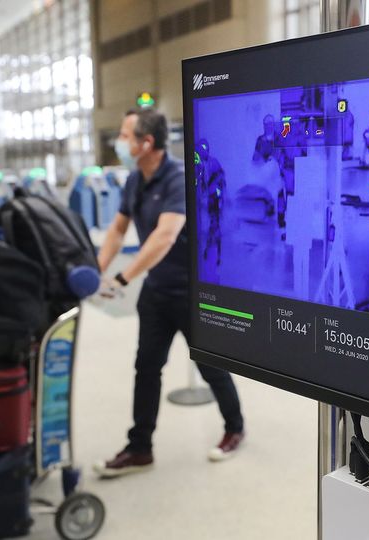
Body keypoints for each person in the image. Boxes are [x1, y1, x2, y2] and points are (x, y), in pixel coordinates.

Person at [94, 109, 245, 477]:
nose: (121, 141)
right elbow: (117, 230)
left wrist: (123, 278)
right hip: (157, 292)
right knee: (146, 367)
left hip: (191, 293)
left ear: (147, 143)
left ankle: (234, 428)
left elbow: (165, 236)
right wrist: (94, 271)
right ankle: (140, 447)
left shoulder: (179, 178)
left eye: (127, 135)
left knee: (211, 366)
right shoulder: (135, 180)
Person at [197, 139, 225, 265]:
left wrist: (219, 195)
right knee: (210, 225)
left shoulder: (213, 162)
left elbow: (221, 177)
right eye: (201, 148)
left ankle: (216, 255)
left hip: (215, 199)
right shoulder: (200, 164)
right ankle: (209, 251)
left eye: (204, 148)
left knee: (215, 225)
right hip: (207, 199)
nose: (203, 150)